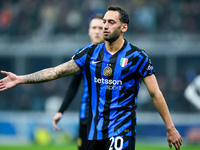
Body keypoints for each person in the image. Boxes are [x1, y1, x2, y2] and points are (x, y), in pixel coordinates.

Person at [0, 5, 182, 150]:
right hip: (94, 134)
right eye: (104, 22)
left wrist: (170, 127)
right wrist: (21, 79)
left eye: (111, 22)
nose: (105, 26)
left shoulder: (138, 57)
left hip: (122, 132)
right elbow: (56, 71)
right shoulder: (89, 53)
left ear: (123, 27)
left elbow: (155, 94)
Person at [52, 14, 104, 150]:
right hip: (86, 114)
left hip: (109, 116)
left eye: (100, 27)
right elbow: (73, 85)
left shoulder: (117, 55)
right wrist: (61, 111)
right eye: (94, 27)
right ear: (89, 30)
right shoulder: (82, 54)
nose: (97, 31)